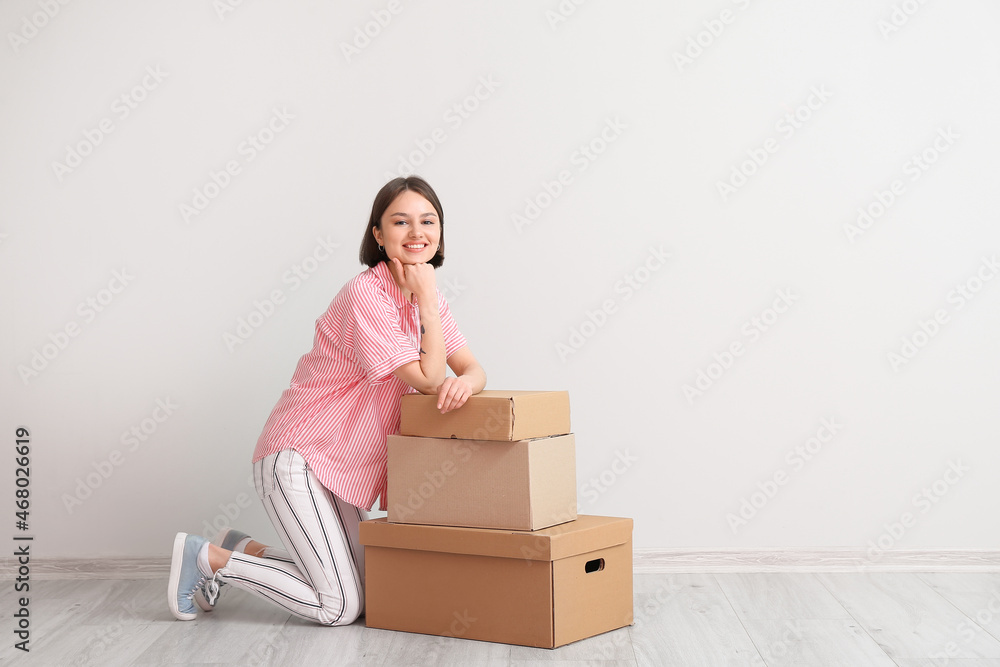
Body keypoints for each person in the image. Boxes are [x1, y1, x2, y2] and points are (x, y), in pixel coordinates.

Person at [167, 176, 486, 625]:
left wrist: (467, 383)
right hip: (298, 455)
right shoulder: (367, 295)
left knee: (369, 592)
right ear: (378, 234)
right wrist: (429, 301)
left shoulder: (427, 299)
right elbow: (430, 376)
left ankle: (242, 549)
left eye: (427, 221)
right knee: (337, 607)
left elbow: (473, 369)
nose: (417, 233)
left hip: (339, 468)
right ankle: (205, 558)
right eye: (401, 221)